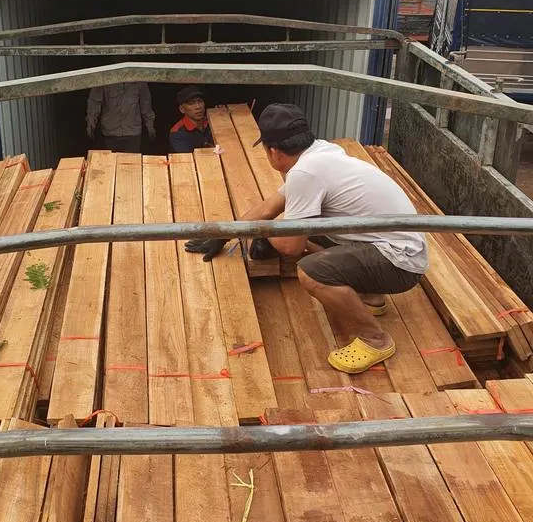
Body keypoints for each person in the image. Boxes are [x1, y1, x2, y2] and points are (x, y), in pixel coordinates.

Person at [185, 103, 428, 374]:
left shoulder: (305, 172)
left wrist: (266, 232)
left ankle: (375, 339)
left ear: (273, 151)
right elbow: (269, 207)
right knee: (308, 228)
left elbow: (290, 246)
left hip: (399, 263)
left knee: (310, 273)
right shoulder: (319, 153)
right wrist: (225, 234)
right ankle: (371, 298)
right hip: (399, 248)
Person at [86, 83, 155, 153]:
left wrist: (150, 125)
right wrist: (91, 123)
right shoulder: (105, 78)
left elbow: (146, 103)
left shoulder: (138, 79)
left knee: (132, 162)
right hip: (111, 132)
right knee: (110, 162)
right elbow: (94, 101)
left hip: (133, 133)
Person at [169, 87, 214, 153]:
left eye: (200, 101)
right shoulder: (177, 133)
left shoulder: (211, 122)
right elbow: (187, 159)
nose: (198, 107)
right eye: (191, 103)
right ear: (182, 109)